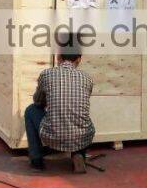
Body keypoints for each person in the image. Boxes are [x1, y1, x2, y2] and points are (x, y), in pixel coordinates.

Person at [24, 45, 95, 173]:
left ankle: (36, 161)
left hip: (52, 136)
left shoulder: (46, 74)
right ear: (79, 59)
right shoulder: (87, 78)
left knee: (30, 110)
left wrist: (50, 101)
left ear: (58, 57)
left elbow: (38, 101)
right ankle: (78, 154)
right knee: (82, 118)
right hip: (81, 137)